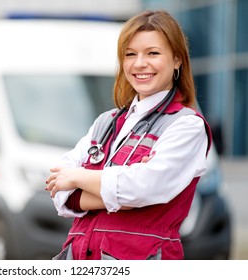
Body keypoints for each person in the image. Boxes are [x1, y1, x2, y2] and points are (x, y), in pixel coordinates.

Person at [45, 9, 212, 260]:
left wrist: (79, 176)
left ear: (177, 58)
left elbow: (142, 188)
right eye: (130, 54)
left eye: (152, 53)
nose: (139, 63)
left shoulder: (186, 126)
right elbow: (60, 190)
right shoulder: (106, 122)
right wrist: (119, 187)